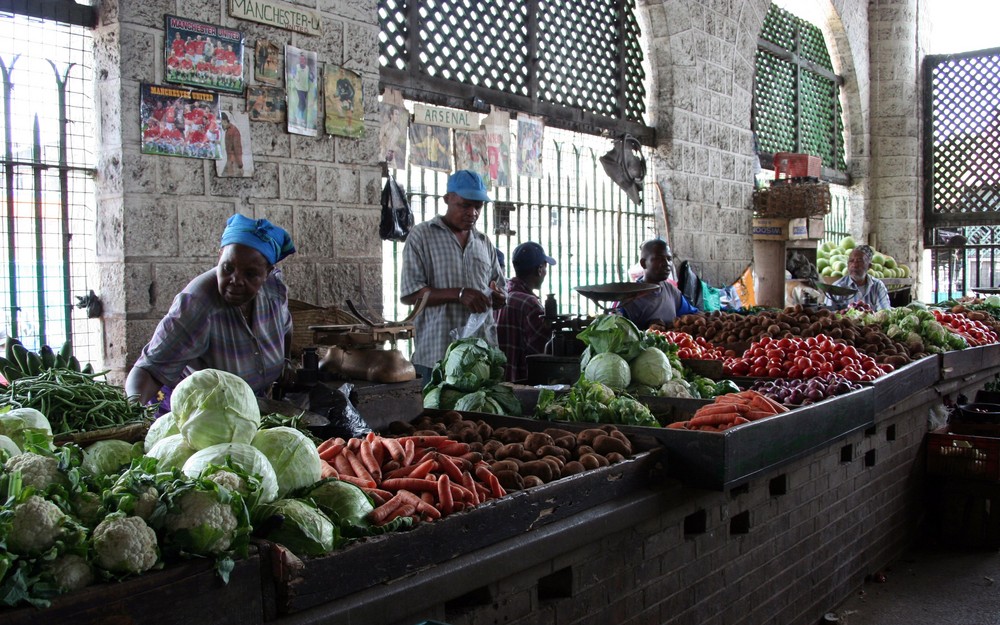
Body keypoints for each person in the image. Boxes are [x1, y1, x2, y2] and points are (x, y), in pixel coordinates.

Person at [125, 214, 296, 405]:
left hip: (244, 408)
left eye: (250, 274)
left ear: (267, 273)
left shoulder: (274, 290)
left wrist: (286, 361)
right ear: (219, 256)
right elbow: (148, 369)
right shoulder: (198, 304)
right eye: (228, 268)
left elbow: (286, 327)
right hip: (196, 413)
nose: (236, 280)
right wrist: (132, 411)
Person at [400, 170, 506, 381]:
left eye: (478, 206)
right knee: (437, 414)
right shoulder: (422, 236)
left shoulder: (483, 243)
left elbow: (499, 286)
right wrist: (459, 294)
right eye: (465, 205)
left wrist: (499, 298)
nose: (472, 213)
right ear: (448, 199)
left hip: (480, 358)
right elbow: (410, 294)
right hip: (436, 356)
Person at [495, 242, 556, 382]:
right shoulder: (530, 304)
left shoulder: (500, 295)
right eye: (545, 268)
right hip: (520, 381)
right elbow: (542, 351)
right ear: (539, 269)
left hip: (499, 379)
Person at [615, 239, 698, 330]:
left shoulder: (672, 292)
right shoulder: (628, 299)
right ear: (643, 263)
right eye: (659, 258)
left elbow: (691, 314)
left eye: (669, 259)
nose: (667, 264)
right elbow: (618, 332)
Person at [828, 244, 890, 310]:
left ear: (869, 266)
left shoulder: (877, 286)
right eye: (851, 261)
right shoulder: (837, 287)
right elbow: (828, 316)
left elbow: (884, 312)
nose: (854, 265)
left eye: (860, 261)